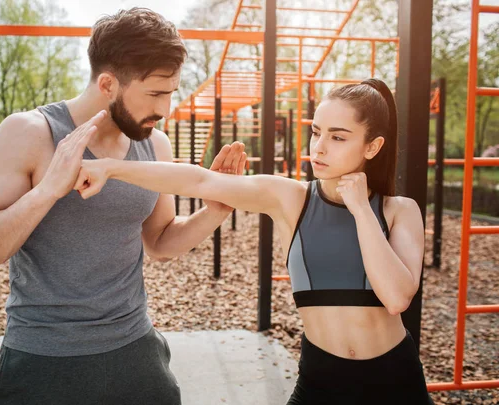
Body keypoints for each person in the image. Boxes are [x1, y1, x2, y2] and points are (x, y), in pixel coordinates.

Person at [76, 79, 435, 405]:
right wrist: (110, 168)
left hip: (394, 383)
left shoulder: (400, 211)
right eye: (316, 132)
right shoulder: (289, 198)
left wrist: (361, 209)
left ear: (372, 146)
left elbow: (396, 297)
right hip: (320, 383)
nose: (320, 147)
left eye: (338, 137)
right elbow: (197, 181)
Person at [0, 8, 246, 405]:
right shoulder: (29, 133)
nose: (167, 108)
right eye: (156, 93)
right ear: (108, 84)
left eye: (171, 92)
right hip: (45, 353)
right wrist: (46, 192)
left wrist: (214, 210)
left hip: (135, 344)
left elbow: (160, 242)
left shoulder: (154, 144)